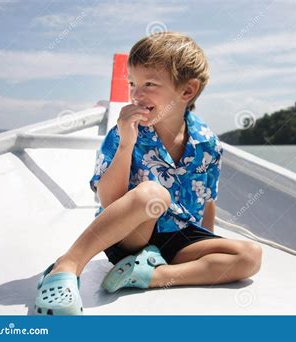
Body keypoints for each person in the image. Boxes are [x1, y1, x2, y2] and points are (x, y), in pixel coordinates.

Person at [34, 32, 262, 315]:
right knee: (153, 195)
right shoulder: (124, 133)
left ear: (187, 91)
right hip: (129, 234)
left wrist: (209, 242)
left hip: (176, 240)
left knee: (250, 256)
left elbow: (208, 201)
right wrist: (126, 144)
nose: (136, 94)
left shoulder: (207, 143)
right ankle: (66, 266)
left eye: (149, 84)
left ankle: (150, 276)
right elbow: (109, 201)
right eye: (132, 83)